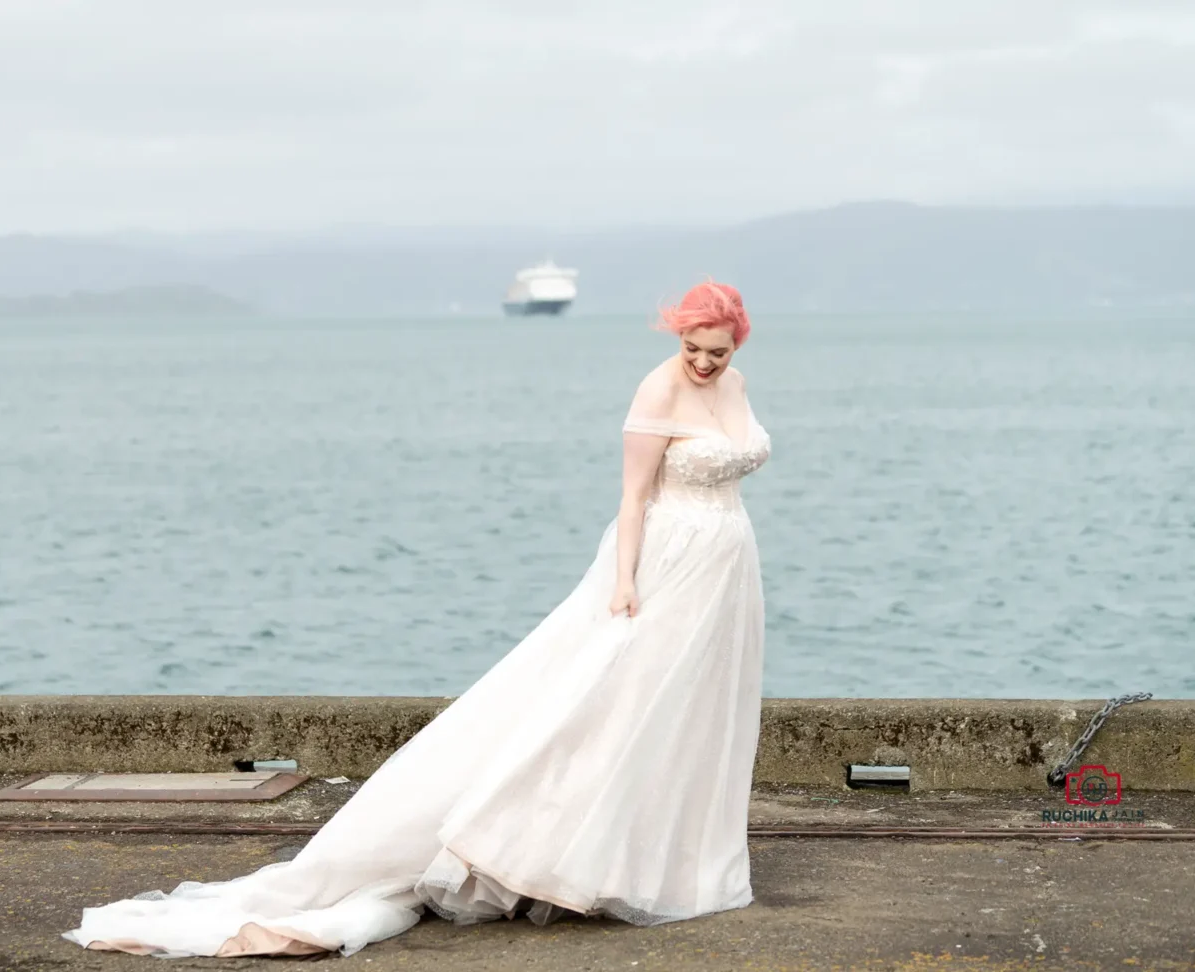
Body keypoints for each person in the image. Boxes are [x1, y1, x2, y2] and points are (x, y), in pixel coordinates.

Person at [63, 280, 772, 958]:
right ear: (677, 337)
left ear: (736, 345)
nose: (706, 364)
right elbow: (631, 496)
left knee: (689, 711)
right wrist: (622, 581)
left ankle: (668, 859)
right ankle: (547, 850)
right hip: (661, 564)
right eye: (695, 350)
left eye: (720, 352)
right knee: (606, 705)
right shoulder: (657, 387)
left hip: (724, 569)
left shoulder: (734, 388)